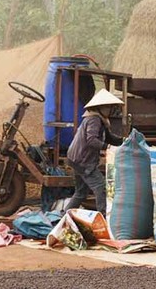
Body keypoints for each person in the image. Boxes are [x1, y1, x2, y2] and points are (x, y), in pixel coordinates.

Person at [66, 88, 124, 216]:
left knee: (81, 192)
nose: (110, 110)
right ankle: (103, 217)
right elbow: (91, 140)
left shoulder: (100, 120)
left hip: (76, 159)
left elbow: (109, 137)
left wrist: (123, 141)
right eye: (108, 107)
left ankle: (64, 216)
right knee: (100, 187)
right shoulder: (94, 119)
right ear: (100, 108)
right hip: (83, 160)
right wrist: (108, 147)